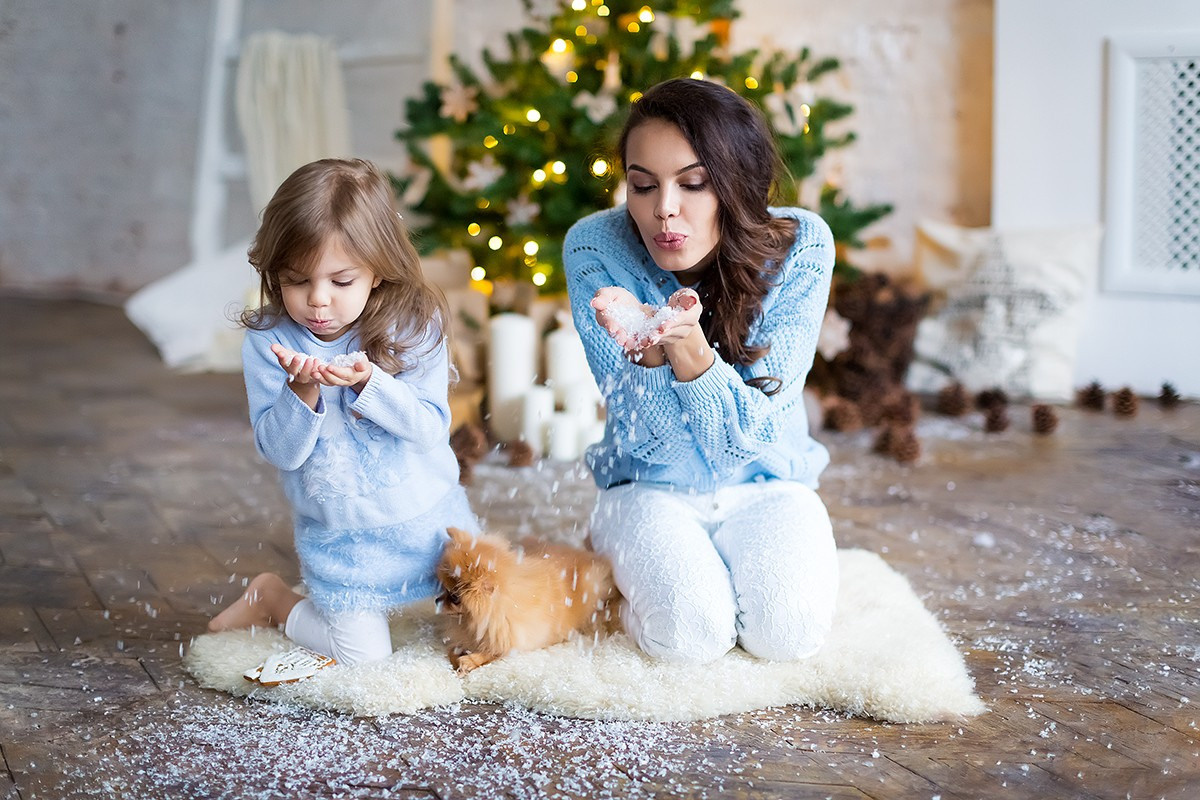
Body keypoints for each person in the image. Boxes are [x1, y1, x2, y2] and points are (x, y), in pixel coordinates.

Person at [563, 78, 839, 664]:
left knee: (788, 634)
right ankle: (622, 575)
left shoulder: (801, 247)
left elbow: (752, 437)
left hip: (769, 485)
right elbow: (655, 442)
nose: (663, 208)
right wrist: (646, 354)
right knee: (689, 637)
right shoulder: (595, 247)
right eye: (642, 185)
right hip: (646, 486)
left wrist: (687, 351)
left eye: (693, 183)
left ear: (736, 183)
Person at [208, 158, 478, 666]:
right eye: (296, 280)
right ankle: (273, 599)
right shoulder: (271, 342)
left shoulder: (413, 324)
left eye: (341, 281)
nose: (318, 300)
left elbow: (428, 429)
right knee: (363, 659)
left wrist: (370, 383)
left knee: (487, 624)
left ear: (377, 270)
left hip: (430, 524)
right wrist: (301, 391)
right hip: (344, 542)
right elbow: (281, 454)